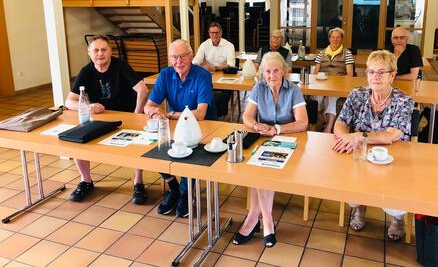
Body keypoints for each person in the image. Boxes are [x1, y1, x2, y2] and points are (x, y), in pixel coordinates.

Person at [332, 50, 414, 241]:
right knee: (351, 179)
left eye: (381, 72)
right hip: (361, 154)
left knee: (396, 188)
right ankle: (360, 209)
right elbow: (340, 123)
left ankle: (397, 218)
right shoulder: (357, 95)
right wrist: (346, 138)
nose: (375, 77)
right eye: (371, 72)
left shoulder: (404, 101)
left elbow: (391, 135)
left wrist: (359, 136)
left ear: (392, 75)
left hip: (394, 158)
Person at [65, 35, 149, 204]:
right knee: (75, 139)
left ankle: (138, 182)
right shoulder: (86, 71)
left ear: (110, 51)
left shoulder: (121, 66)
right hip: (101, 116)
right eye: (96, 50)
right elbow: (68, 101)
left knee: (140, 145)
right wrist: (88, 108)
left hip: (127, 114)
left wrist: (137, 113)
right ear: (89, 53)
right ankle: (86, 181)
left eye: (104, 49)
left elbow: (143, 89)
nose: (100, 54)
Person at [235, 52, 308, 248]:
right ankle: (266, 221)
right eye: (267, 71)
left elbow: (302, 122)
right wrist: (257, 126)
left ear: (284, 71)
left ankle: (254, 219)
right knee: (259, 167)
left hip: (290, 141)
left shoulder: (293, 89)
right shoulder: (258, 88)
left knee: (261, 169)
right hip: (264, 140)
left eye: (276, 70)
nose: (272, 75)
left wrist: (277, 129)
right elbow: (247, 117)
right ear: (262, 73)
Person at [144, 39, 218, 218]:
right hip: (176, 126)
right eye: (174, 57)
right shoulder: (165, 74)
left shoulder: (202, 75)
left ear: (191, 55)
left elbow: (200, 114)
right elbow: (148, 106)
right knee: (155, 149)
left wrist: (168, 114)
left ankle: (186, 192)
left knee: (189, 154)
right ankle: (174, 188)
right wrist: (154, 112)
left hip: (204, 127)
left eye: (183, 56)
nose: (178, 61)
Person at [313, 28, 354, 133]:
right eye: (333, 37)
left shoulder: (347, 53)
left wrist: (339, 82)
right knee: (315, 98)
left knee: (332, 97)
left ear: (342, 39)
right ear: (329, 38)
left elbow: (350, 73)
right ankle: (320, 121)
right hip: (322, 83)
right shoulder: (321, 53)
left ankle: (329, 127)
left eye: (338, 37)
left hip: (338, 84)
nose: (335, 40)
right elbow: (315, 72)